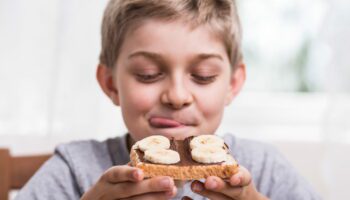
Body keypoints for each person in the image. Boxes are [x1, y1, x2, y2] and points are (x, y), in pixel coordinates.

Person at [16, 0, 321, 199]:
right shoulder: (74, 170)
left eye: (202, 75)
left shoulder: (265, 169)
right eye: (148, 74)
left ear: (233, 83)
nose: (176, 96)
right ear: (110, 83)